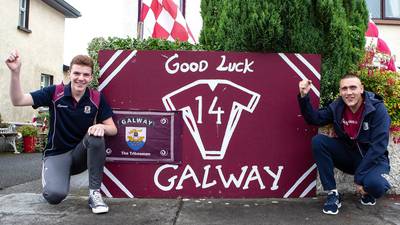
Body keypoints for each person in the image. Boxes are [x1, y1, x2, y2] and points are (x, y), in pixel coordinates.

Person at [5, 50, 117, 214]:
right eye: (76, 73)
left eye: (86, 75)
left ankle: (94, 193)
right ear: (69, 73)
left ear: (91, 78)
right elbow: (18, 100)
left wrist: (102, 127)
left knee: (96, 136)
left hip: (80, 154)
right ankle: (55, 175)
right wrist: (15, 72)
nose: (81, 78)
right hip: (57, 154)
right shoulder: (54, 92)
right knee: (54, 196)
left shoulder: (96, 97)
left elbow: (112, 129)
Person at [297, 74, 391, 215]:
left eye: (353, 88)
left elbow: (379, 146)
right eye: (344, 89)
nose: (349, 93)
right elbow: (314, 119)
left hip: (373, 160)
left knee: (377, 186)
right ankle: (332, 193)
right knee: (319, 141)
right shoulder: (337, 107)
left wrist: (359, 177)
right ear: (340, 92)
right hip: (349, 156)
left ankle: (367, 191)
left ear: (361, 89)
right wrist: (304, 96)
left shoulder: (377, 109)